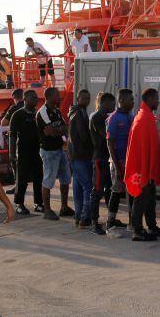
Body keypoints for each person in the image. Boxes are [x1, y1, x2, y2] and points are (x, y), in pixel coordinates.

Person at [124, 88, 160, 241]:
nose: (158, 101)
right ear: (149, 100)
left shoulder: (146, 116)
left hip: (146, 167)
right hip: (142, 168)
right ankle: (137, 230)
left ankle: (151, 226)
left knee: (150, 198)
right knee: (141, 198)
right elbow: (141, 148)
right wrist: (145, 169)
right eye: (156, 98)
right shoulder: (143, 118)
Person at [37, 87, 73, 220]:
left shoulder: (56, 111)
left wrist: (60, 130)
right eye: (57, 95)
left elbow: (65, 128)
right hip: (49, 151)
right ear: (50, 97)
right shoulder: (43, 112)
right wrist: (61, 130)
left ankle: (64, 207)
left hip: (59, 149)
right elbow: (50, 131)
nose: (59, 97)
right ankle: (47, 210)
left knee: (65, 178)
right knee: (48, 180)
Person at [9, 90, 43, 215]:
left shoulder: (38, 113)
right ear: (25, 99)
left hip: (37, 150)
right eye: (33, 97)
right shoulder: (18, 114)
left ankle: (38, 203)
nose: (36, 99)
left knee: (38, 177)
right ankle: (19, 204)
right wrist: (12, 154)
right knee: (22, 178)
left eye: (36, 97)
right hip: (23, 151)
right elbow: (12, 135)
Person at [106, 89, 134, 236]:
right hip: (118, 162)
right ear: (122, 101)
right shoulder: (114, 118)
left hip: (130, 161)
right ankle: (110, 226)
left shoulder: (131, 116)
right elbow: (110, 143)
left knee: (132, 193)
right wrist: (117, 168)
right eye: (131, 100)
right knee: (116, 192)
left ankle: (131, 223)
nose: (133, 102)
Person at [89, 92, 117, 236]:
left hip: (106, 158)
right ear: (105, 103)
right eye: (112, 104)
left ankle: (111, 218)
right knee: (97, 191)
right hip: (99, 158)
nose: (114, 107)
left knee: (109, 190)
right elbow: (105, 135)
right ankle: (93, 222)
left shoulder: (104, 117)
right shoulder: (97, 117)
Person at [68, 89, 94, 229]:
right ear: (78, 99)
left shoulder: (75, 112)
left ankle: (79, 216)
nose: (86, 100)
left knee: (78, 188)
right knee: (88, 187)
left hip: (74, 155)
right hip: (81, 156)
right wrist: (93, 146)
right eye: (84, 98)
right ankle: (85, 217)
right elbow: (83, 135)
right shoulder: (79, 113)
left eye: (88, 98)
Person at [2, 88, 24, 195]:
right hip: (30, 140)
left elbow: (3, 123)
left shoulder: (14, 108)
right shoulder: (30, 106)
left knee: (15, 162)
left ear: (14, 98)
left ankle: (17, 186)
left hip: (16, 140)